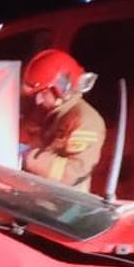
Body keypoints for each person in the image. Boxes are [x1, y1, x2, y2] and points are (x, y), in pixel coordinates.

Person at [18, 49, 107, 191]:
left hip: (62, 205)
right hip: (34, 196)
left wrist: (28, 157)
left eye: (42, 93)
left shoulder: (85, 121)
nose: (38, 100)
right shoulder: (43, 111)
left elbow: (73, 171)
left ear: (61, 90)